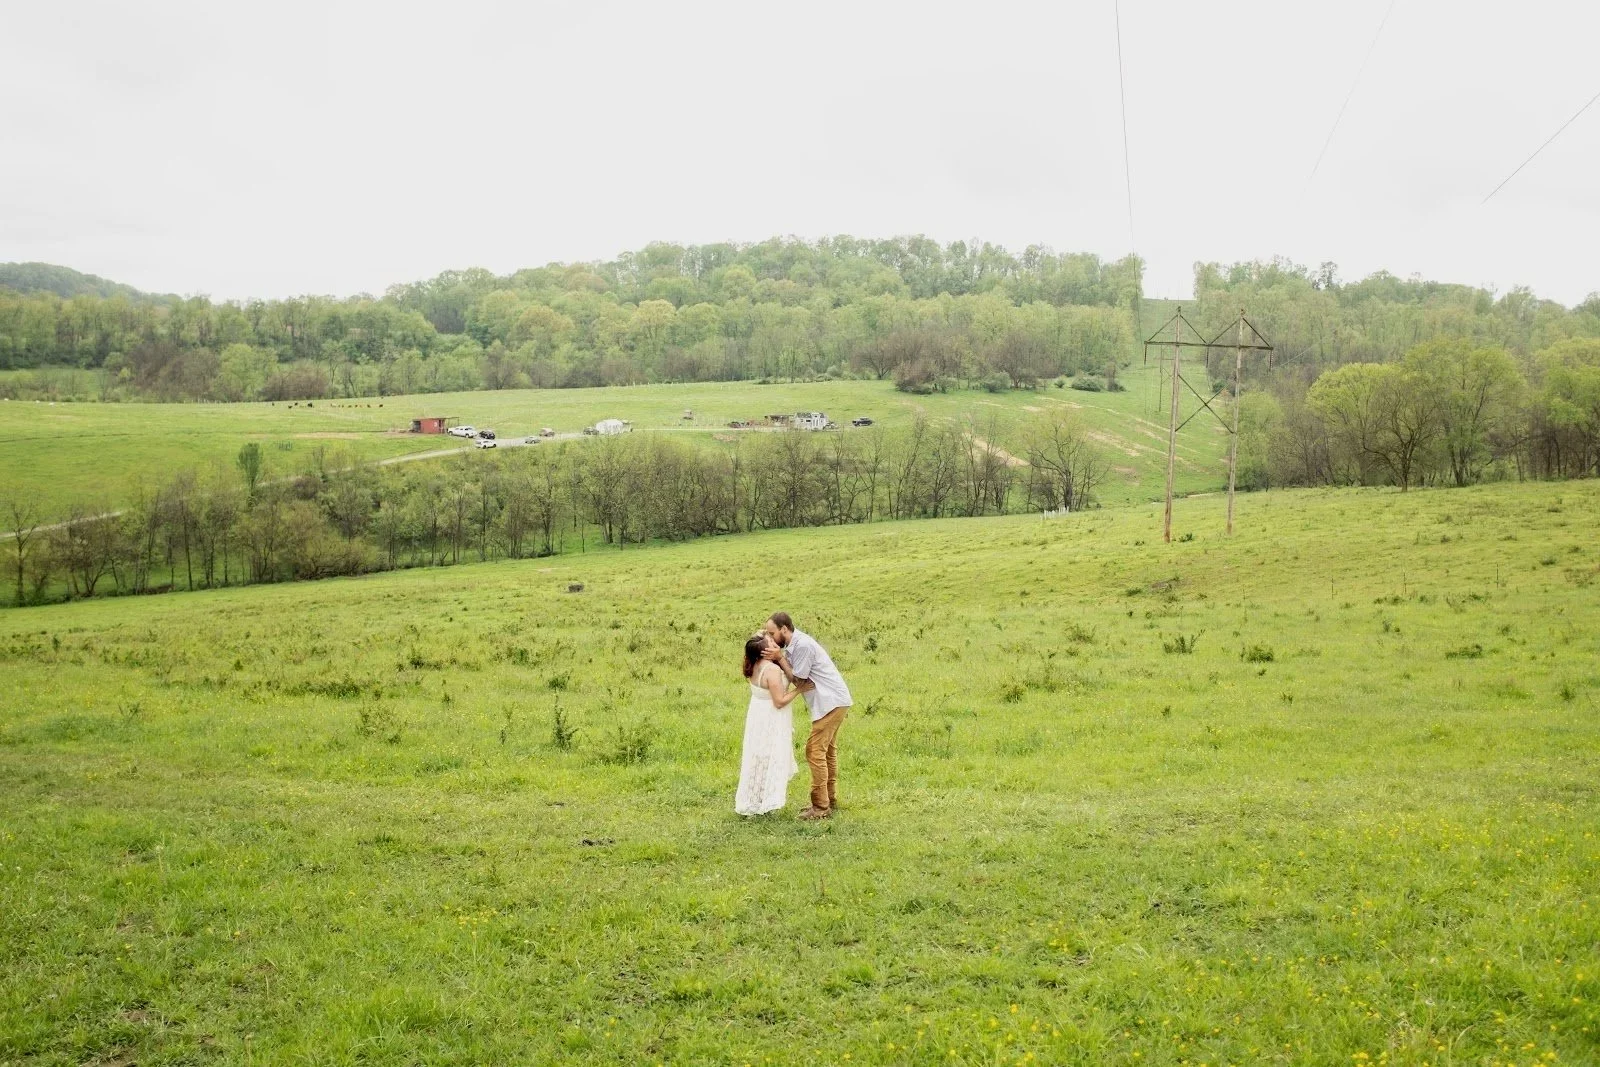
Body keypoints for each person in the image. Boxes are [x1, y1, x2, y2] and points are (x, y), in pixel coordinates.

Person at [762, 612, 852, 820]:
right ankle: (829, 799)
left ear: (784, 629)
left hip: (830, 702)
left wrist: (779, 658)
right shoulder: (797, 644)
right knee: (827, 751)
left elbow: (799, 680)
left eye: (772, 633)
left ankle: (820, 808)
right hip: (833, 701)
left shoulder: (802, 645)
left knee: (814, 751)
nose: (771, 637)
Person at [735, 633, 801, 816]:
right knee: (771, 754)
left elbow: (759, 636)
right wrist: (800, 689)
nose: (775, 644)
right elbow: (779, 701)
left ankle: (753, 800)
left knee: (757, 755)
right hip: (771, 716)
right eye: (770, 643)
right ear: (764, 652)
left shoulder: (753, 664)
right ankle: (767, 801)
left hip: (757, 714)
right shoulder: (770, 670)